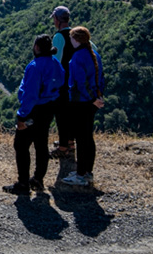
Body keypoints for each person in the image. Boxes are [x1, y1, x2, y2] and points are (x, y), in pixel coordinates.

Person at [3, 35, 64, 195]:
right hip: (49, 108)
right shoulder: (55, 63)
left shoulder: (35, 66)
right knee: (41, 143)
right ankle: (38, 178)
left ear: (36, 47)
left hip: (34, 109)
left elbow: (30, 94)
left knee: (21, 145)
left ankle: (23, 183)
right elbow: (62, 81)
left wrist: (22, 116)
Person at [61, 26, 105, 187]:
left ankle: (80, 175)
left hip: (82, 103)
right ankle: (87, 172)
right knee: (88, 138)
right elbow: (101, 78)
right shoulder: (95, 55)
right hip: (92, 102)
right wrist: (98, 96)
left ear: (76, 39)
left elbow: (80, 83)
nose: (70, 41)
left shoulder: (77, 57)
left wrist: (91, 99)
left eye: (72, 38)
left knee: (81, 139)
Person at [49, 6, 76, 159]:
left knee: (61, 115)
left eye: (54, 19)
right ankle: (70, 143)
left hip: (63, 82)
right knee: (70, 114)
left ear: (58, 20)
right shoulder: (76, 34)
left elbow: (56, 62)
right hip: (75, 82)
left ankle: (63, 147)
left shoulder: (59, 37)